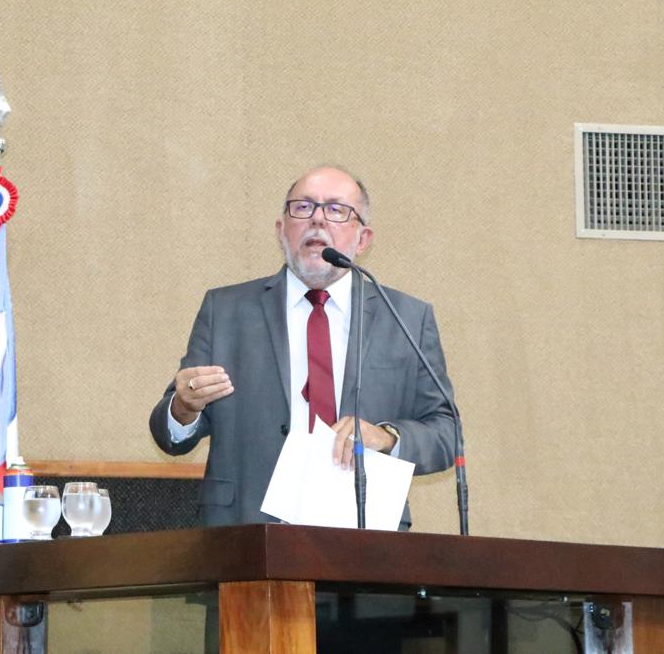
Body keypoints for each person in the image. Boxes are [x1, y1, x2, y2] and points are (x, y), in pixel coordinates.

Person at [149, 166, 458, 530]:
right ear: (282, 230)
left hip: (366, 533)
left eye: (336, 210)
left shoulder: (406, 317)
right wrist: (184, 407)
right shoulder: (226, 310)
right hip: (246, 532)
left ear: (363, 239)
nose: (317, 220)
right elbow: (170, 432)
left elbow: (446, 432)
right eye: (303, 208)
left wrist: (386, 437)